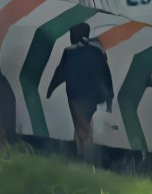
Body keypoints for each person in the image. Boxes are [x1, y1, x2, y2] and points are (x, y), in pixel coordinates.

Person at [46, 22, 115, 154]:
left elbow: (60, 73)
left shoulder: (69, 52)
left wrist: (50, 90)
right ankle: (88, 154)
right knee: (87, 126)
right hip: (93, 97)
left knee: (81, 127)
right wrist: (109, 97)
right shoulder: (96, 51)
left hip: (75, 96)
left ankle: (85, 154)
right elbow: (106, 74)